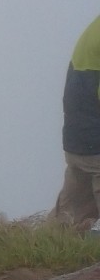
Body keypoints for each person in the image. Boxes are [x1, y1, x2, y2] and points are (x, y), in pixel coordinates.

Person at [53, 13, 100, 229]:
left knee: (71, 214)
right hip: (94, 144)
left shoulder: (95, 28)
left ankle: (40, 249)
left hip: (78, 139)